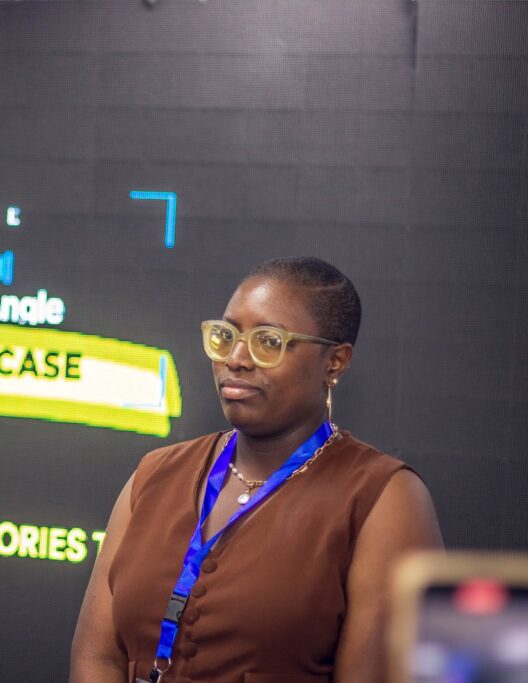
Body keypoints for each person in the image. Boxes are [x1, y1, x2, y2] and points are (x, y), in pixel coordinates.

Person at [70, 256, 442, 683]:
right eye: (225, 336)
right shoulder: (154, 474)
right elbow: (96, 659)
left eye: (269, 342)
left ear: (335, 362)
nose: (237, 358)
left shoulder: (382, 497)